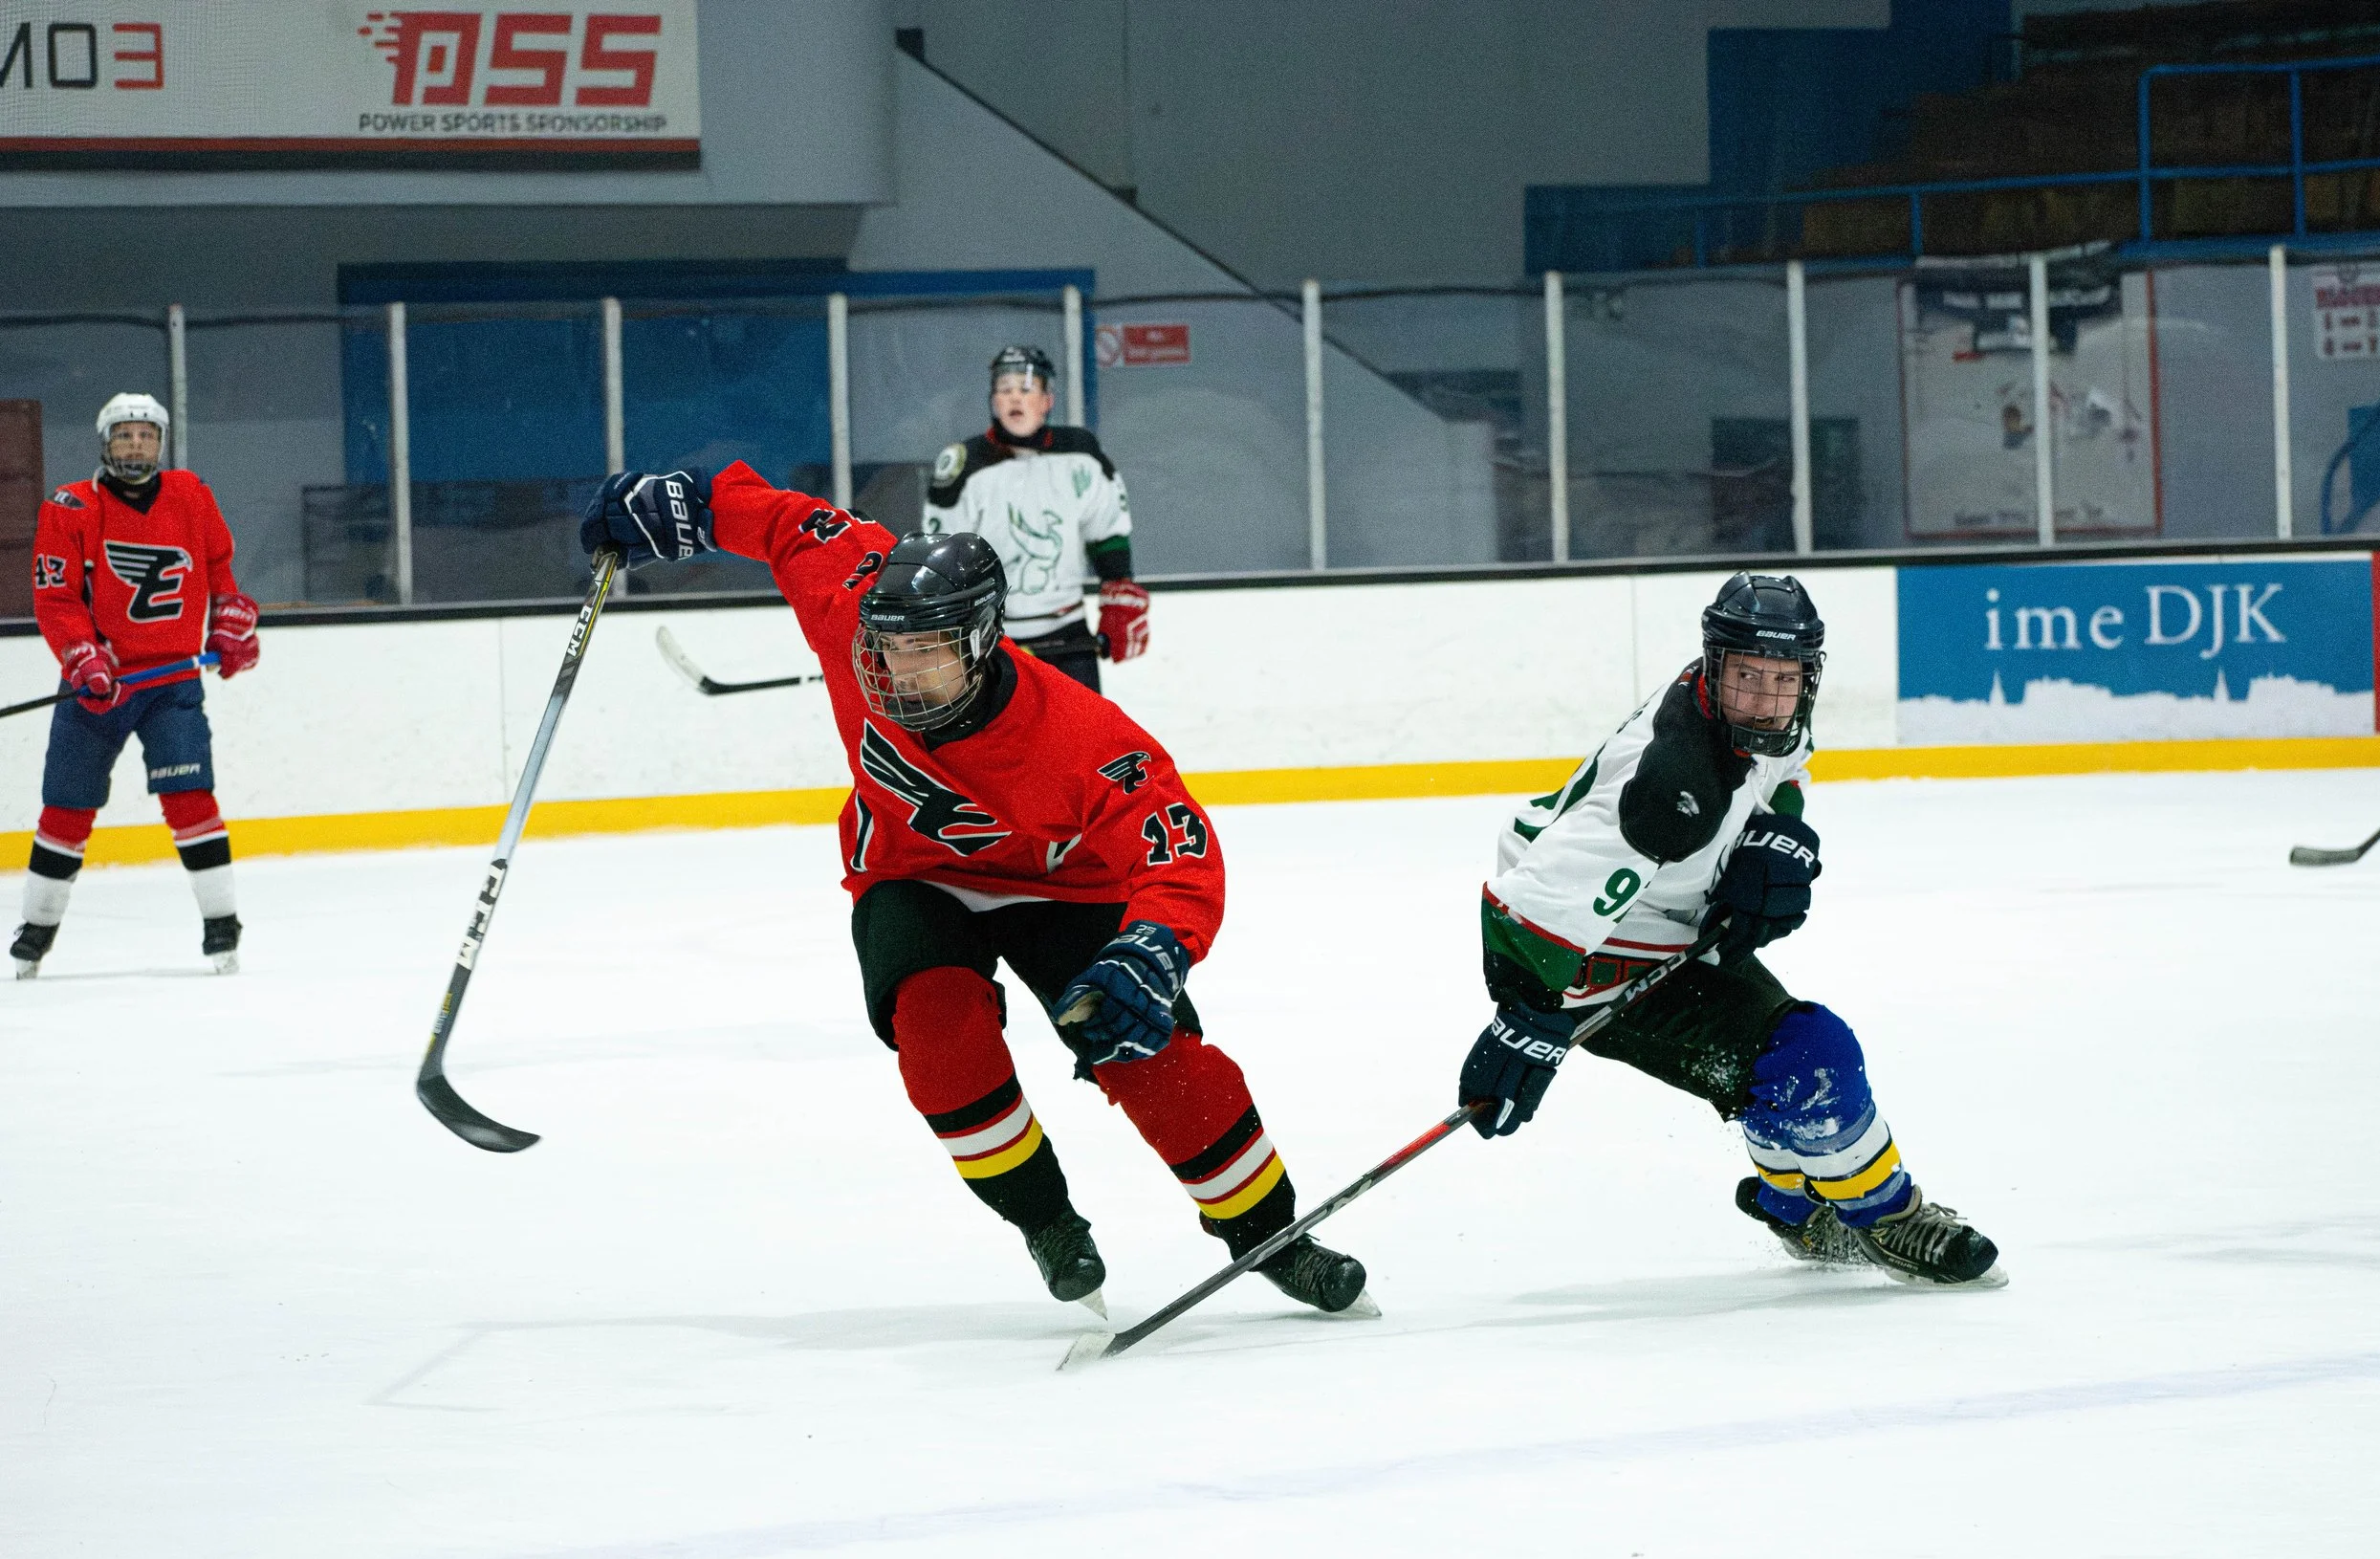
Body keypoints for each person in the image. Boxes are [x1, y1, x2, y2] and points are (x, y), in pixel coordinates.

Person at [580, 467, 1367, 1316]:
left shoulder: (1079, 735)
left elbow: (1176, 849)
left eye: (924, 652)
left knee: (1151, 1056)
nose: (894, 671)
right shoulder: (856, 608)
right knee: (938, 1039)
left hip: (1064, 888)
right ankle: (1047, 1221)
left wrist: (1155, 947)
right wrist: (685, 504)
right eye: (887, 648)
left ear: (982, 638)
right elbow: (786, 522)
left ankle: (1274, 1237)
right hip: (909, 877)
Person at [1455, 573, 2004, 1287]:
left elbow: (1786, 767)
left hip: (1668, 927)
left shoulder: (1766, 714)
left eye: (1785, 679)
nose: (1767, 700)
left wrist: (1776, 836)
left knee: (1774, 1062)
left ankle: (1792, 1204)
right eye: (1748, 677)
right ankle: (1890, 1217)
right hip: (1595, 963)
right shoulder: (1670, 790)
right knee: (1812, 1052)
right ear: (1715, 666)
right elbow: (1521, 915)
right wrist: (1525, 1018)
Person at [12, 393, 260, 979]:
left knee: (191, 799)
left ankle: (222, 923)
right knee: (67, 808)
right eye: (123, 435)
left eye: (146, 435)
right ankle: (38, 929)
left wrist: (229, 619)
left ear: (161, 442)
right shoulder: (70, 506)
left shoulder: (191, 494)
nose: (135, 445)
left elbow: (219, 566)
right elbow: (56, 597)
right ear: (105, 441)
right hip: (100, 686)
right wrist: (81, 656)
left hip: (171, 682)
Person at [920, 345, 1147, 693]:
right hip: (991, 634)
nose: (1015, 399)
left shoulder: (1080, 454)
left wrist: (1118, 591)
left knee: (1081, 743)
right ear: (993, 400)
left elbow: (1107, 531)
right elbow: (943, 556)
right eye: (1005, 389)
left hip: (1068, 629)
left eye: (1026, 390)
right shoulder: (964, 465)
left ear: (1047, 400)